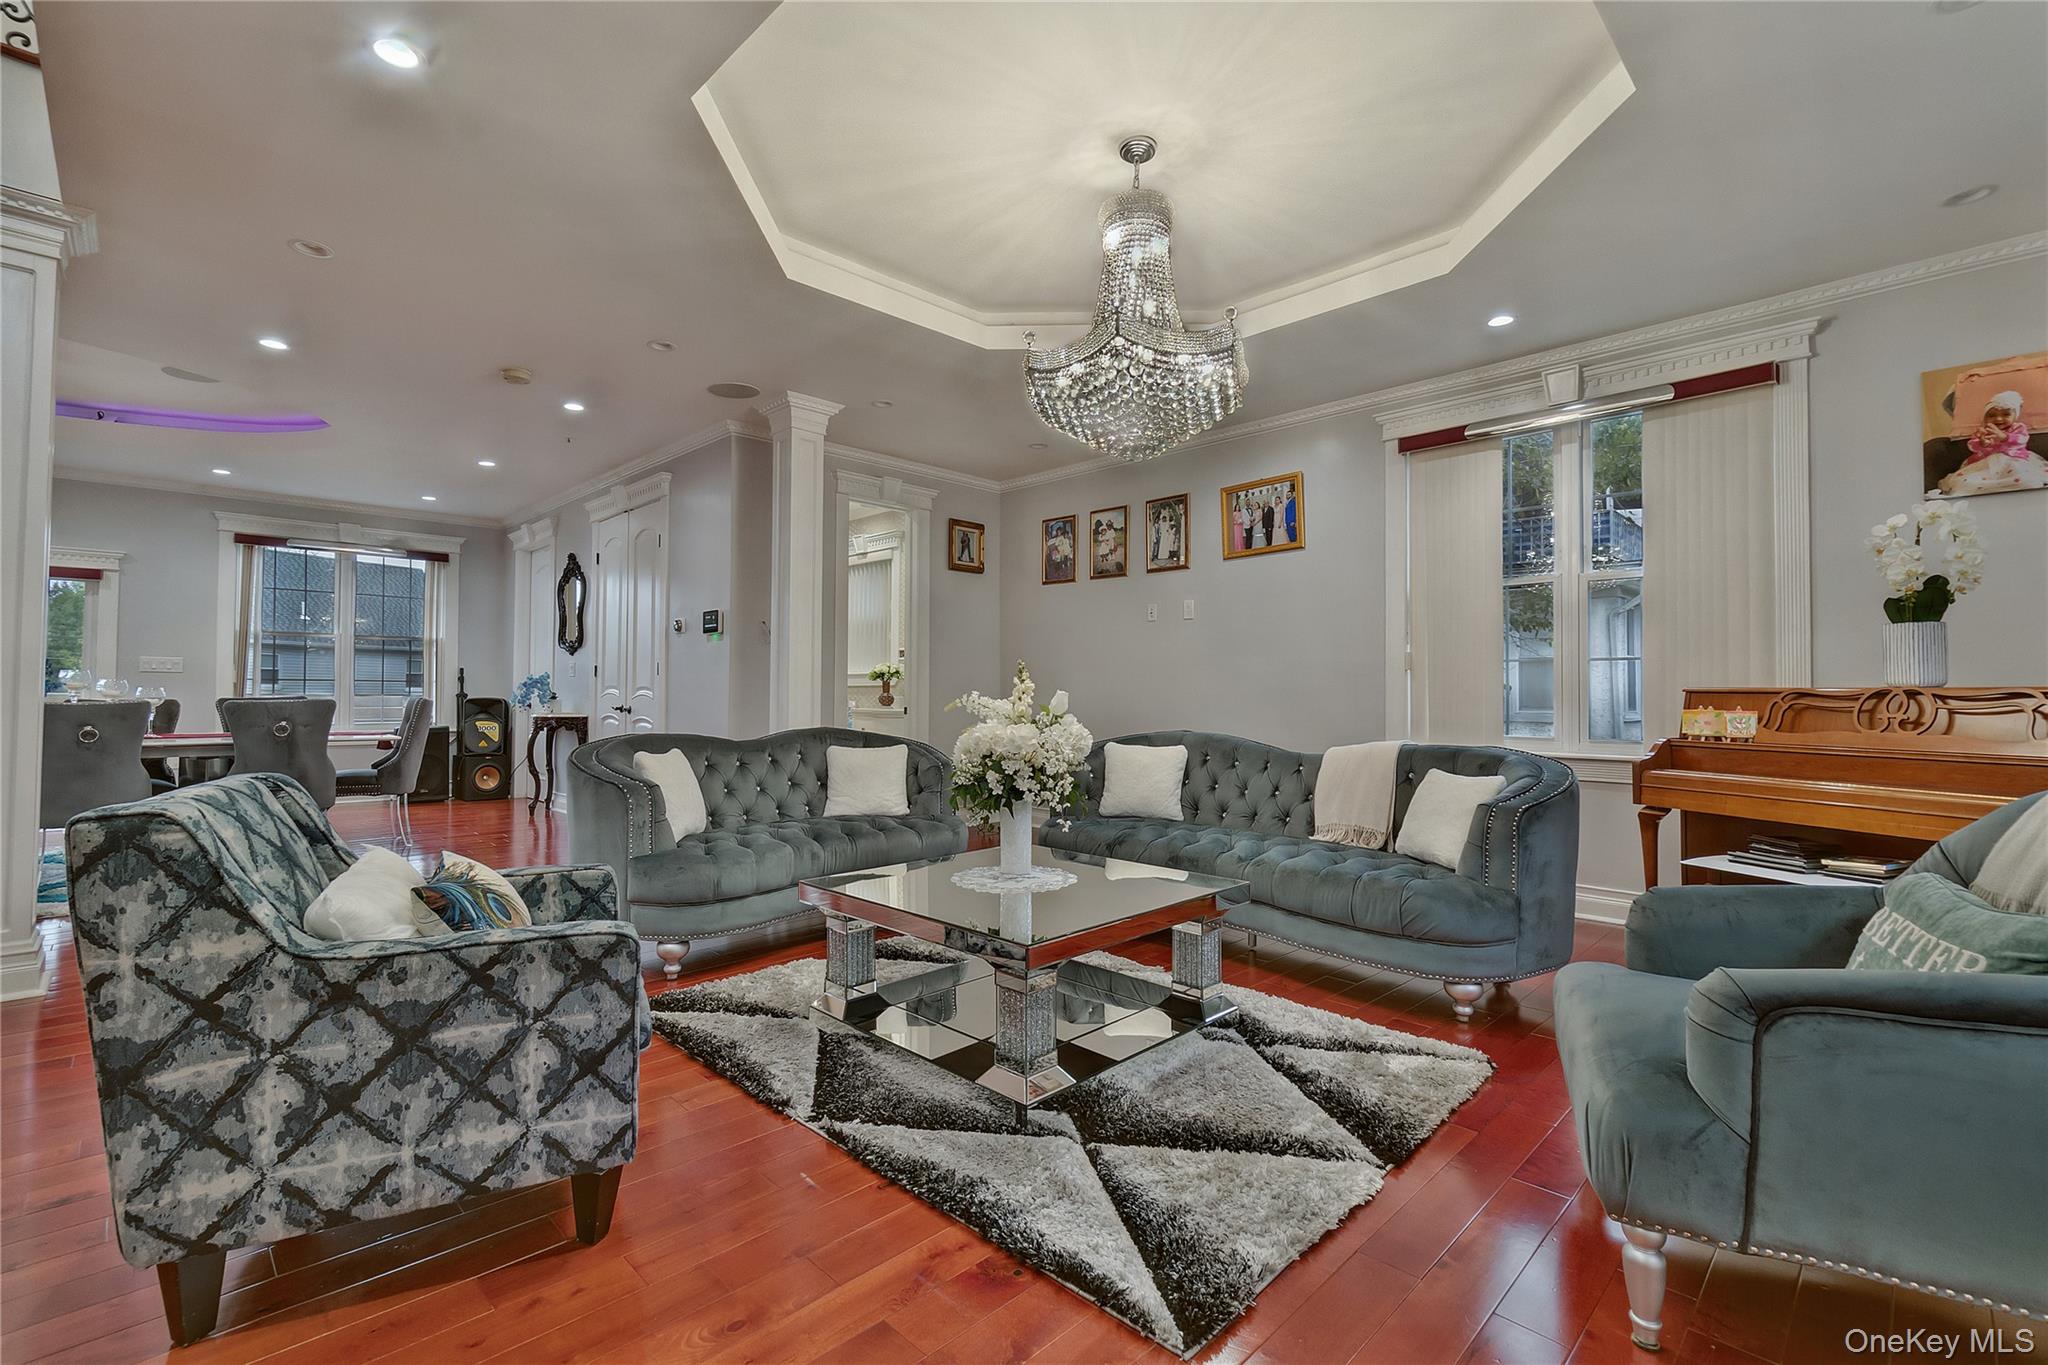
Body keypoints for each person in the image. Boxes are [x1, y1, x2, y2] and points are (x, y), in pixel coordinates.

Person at [1938, 390, 2047, 495]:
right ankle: (1985, 488)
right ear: (1985, 418)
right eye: (1992, 415)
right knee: (1964, 482)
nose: (1999, 419)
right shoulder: (1984, 430)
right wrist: (1982, 443)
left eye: (2006, 414)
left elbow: (2022, 439)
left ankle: (2014, 487)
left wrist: (2004, 437)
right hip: (1985, 463)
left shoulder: (2017, 427)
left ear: (2015, 416)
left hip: (2013, 460)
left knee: (2025, 478)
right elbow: (1972, 445)